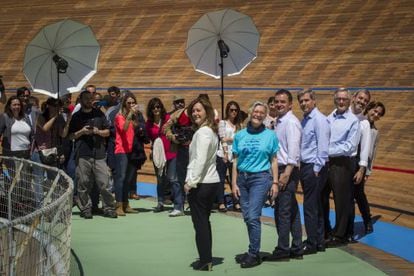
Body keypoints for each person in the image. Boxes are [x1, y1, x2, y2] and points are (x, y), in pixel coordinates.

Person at [232, 101, 279, 268]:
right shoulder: (240, 135)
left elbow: (274, 160)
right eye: (256, 111)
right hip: (242, 179)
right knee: (247, 217)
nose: (258, 115)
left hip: (261, 178)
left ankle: (253, 253)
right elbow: (235, 160)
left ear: (265, 116)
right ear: (251, 113)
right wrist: (234, 183)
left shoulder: (270, 135)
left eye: (262, 112)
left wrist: (275, 182)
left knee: (252, 216)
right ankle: (253, 249)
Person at [265, 89, 303, 261]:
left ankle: (283, 249)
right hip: (281, 168)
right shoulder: (280, 121)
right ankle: (296, 247)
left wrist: (287, 173)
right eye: (277, 101)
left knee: (283, 210)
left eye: (283, 102)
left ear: (290, 104)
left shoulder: (291, 122)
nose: (279, 104)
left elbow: (294, 150)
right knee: (292, 210)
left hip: (286, 170)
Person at [183, 96, 220, 271]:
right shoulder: (208, 131)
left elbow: (201, 160)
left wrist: (191, 182)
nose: (195, 113)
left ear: (207, 111)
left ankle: (205, 260)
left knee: (200, 223)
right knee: (204, 222)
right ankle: (207, 257)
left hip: (202, 184)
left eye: (199, 110)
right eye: (193, 111)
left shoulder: (204, 132)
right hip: (209, 182)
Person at [68, 90, 117, 219]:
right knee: (83, 183)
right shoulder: (76, 116)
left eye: (90, 98)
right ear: (81, 100)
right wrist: (82, 132)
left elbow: (108, 132)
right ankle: (85, 208)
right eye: (86, 98)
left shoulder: (99, 114)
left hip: (99, 153)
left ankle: (109, 207)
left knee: (104, 183)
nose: (89, 101)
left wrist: (97, 131)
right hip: (83, 153)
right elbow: (70, 135)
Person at [325, 88, 360, 247]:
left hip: (342, 163)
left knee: (342, 201)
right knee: (323, 197)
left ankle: (340, 235)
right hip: (326, 163)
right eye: (338, 99)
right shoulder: (329, 117)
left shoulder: (353, 121)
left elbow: (349, 146)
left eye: (344, 99)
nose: (341, 102)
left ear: (350, 100)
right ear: (334, 99)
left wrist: (327, 151)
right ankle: (327, 230)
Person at [297, 89, 330, 254]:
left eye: (306, 100)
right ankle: (319, 241)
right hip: (306, 166)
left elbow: (323, 147)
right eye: (301, 101)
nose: (303, 103)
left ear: (314, 101)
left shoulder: (319, 120)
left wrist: (317, 169)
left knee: (310, 206)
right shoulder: (305, 120)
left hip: (314, 167)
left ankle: (311, 244)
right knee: (315, 205)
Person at [357, 101, 386, 234]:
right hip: (349, 162)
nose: (376, 115)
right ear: (368, 109)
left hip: (361, 167)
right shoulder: (357, 121)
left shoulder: (375, 132)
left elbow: (372, 153)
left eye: (379, 114)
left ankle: (367, 220)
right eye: (375, 111)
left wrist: (368, 170)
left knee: (359, 194)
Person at [145, 97, 178, 213]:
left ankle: (178, 205)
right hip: (158, 154)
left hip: (171, 152)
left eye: (158, 106)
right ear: (151, 109)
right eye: (153, 107)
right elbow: (149, 138)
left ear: (161, 107)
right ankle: (160, 202)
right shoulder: (148, 123)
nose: (156, 109)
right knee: (160, 179)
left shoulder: (168, 118)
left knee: (173, 178)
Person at [113, 93, 142, 216]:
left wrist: (136, 116)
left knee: (127, 180)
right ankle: (118, 204)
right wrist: (130, 115)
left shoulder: (134, 116)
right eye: (129, 103)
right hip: (121, 150)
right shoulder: (119, 116)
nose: (131, 105)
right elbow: (124, 129)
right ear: (124, 103)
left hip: (130, 150)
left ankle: (125, 204)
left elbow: (137, 127)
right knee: (121, 178)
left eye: (133, 103)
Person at [349, 89, 372, 238]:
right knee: (345, 197)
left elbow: (366, 147)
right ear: (353, 98)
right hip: (341, 161)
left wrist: (362, 169)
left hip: (356, 163)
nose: (362, 102)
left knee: (357, 194)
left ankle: (367, 220)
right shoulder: (340, 114)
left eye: (365, 100)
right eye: (360, 98)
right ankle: (346, 228)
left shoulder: (364, 123)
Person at [216, 101, 244, 212]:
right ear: (227, 110)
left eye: (235, 110)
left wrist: (230, 139)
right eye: (231, 110)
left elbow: (241, 139)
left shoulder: (239, 125)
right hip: (223, 153)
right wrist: (226, 153)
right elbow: (222, 138)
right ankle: (221, 202)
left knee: (235, 179)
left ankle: (236, 202)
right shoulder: (222, 123)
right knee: (221, 179)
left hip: (235, 155)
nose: (233, 112)